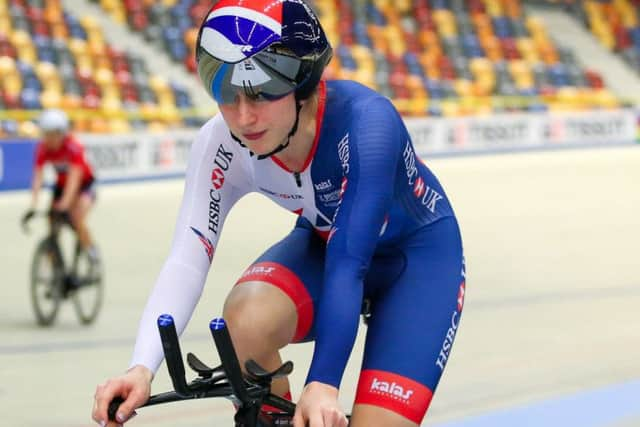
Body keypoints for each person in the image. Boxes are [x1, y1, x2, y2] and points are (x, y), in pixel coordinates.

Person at [92, 1, 465, 426]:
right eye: (226, 94)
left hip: (416, 263)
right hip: (327, 243)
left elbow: (349, 263)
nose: (244, 117)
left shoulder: (367, 125)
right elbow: (188, 255)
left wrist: (322, 383)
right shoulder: (220, 143)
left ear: (302, 83)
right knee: (244, 321)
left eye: (261, 92)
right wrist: (142, 366)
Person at [22, 108, 99, 262]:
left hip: (84, 185)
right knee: (52, 223)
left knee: (76, 219)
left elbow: (74, 179)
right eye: (46, 134)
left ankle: (90, 248)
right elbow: (38, 176)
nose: (48, 139)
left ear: (61, 133)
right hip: (62, 185)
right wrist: (33, 204)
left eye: (52, 134)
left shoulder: (74, 147)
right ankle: (55, 263)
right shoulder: (43, 148)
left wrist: (65, 204)